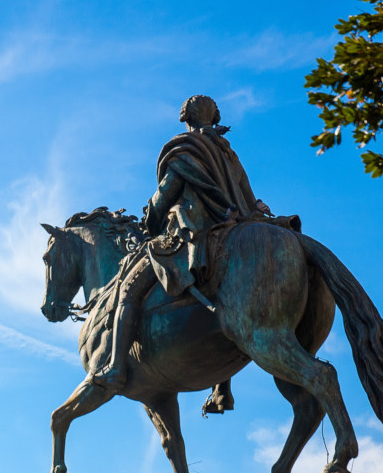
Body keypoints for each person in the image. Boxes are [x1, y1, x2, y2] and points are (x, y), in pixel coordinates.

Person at [89, 95, 270, 413]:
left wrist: (149, 218)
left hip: (188, 233)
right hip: (230, 228)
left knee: (128, 292)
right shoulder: (228, 153)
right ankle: (221, 385)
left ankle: (115, 366)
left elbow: (166, 193)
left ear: (186, 118)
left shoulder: (184, 149)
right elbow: (249, 198)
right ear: (214, 118)